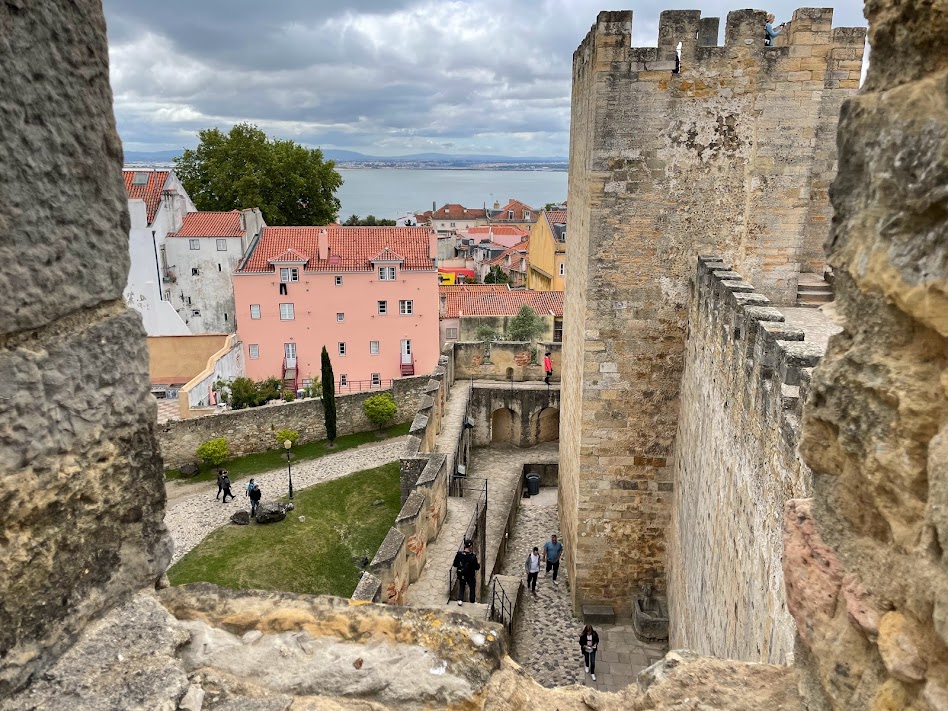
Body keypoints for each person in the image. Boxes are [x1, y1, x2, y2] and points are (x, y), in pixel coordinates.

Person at [452, 540, 480, 605]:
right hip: (470, 575)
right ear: (471, 547)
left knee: (462, 586)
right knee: (472, 587)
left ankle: (460, 599)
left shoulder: (459, 554)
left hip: (461, 574)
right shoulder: (472, 556)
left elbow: (455, 564)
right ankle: (472, 601)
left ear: (464, 546)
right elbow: (476, 567)